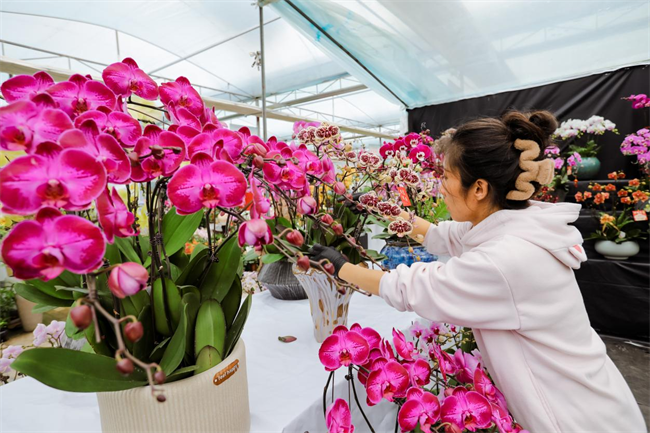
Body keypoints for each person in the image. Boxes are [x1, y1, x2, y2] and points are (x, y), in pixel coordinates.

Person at [309, 111, 646, 432]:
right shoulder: (515, 222)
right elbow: (442, 235)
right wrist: (376, 208)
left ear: (480, 188)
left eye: (445, 176)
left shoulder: (506, 259)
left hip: (576, 418)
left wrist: (341, 268)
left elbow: (414, 287)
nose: (439, 187)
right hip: (590, 394)